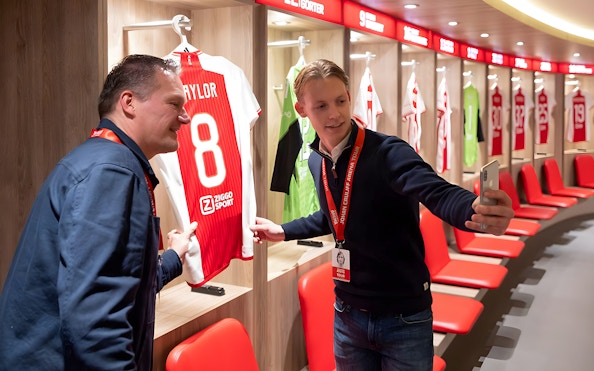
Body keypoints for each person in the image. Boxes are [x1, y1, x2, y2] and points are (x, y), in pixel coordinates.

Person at [251, 59, 514, 371]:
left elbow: (437, 191)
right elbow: (336, 219)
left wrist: (473, 209)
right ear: (301, 109)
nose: (334, 113)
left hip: (403, 317)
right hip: (348, 313)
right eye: (321, 105)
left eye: (340, 100)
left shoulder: (389, 152)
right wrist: (283, 230)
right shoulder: (316, 160)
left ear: (349, 96)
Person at [0, 54, 198, 370]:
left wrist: (174, 255)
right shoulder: (111, 171)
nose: (185, 117)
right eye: (175, 104)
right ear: (129, 102)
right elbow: (95, 320)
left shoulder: (105, 160)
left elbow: (121, 279)